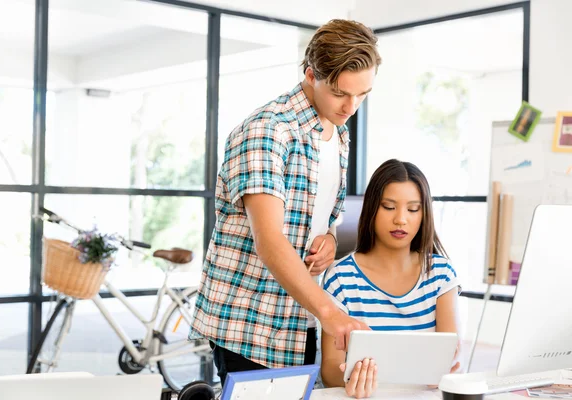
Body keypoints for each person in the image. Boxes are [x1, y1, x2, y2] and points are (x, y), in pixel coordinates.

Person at [189, 19, 382, 385]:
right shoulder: (268, 130)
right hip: (251, 322)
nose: (351, 107)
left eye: (363, 94)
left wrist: (327, 239)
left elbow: (323, 217)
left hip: (297, 318)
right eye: (341, 93)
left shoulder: (337, 133)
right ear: (311, 74)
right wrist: (331, 312)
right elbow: (269, 239)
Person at [321, 159, 461, 399]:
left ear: (424, 213)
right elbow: (330, 369)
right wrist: (350, 380)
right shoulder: (341, 277)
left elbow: (451, 355)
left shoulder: (441, 274)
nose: (401, 219)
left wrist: (448, 372)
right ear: (372, 209)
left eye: (413, 209)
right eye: (388, 207)